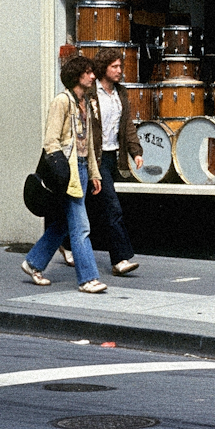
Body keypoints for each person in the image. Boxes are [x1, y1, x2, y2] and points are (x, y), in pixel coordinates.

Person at [20, 56, 108, 293]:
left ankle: (33, 263)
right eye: (88, 72)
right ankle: (88, 278)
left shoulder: (85, 103)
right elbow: (51, 141)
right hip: (66, 171)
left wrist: (94, 173)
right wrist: (63, 172)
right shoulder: (62, 101)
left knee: (62, 224)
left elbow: (87, 143)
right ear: (77, 75)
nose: (92, 76)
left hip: (80, 168)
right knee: (81, 226)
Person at [75, 49, 143, 276]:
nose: (119, 71)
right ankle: (120, 259)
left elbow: (127, 126)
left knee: (86, 204)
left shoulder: (120, 93)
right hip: (95, 157)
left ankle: (64, 241)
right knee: (112, 207)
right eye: (114, 67)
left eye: (120, 66)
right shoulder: (91, 93)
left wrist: (135, 152)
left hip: (113, 156)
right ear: (103, 67)